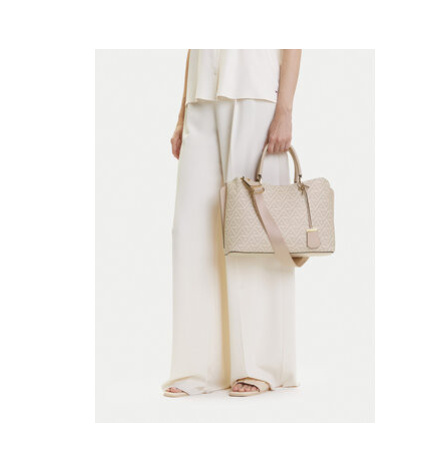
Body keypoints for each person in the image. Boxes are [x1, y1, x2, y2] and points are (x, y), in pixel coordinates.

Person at [162, 49, 302, 397]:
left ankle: (261, 365)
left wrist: (284, 111)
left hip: (254, 90)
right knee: (192, 232)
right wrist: (181, 113)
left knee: (251, 232)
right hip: (201, 95)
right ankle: (200, 367)